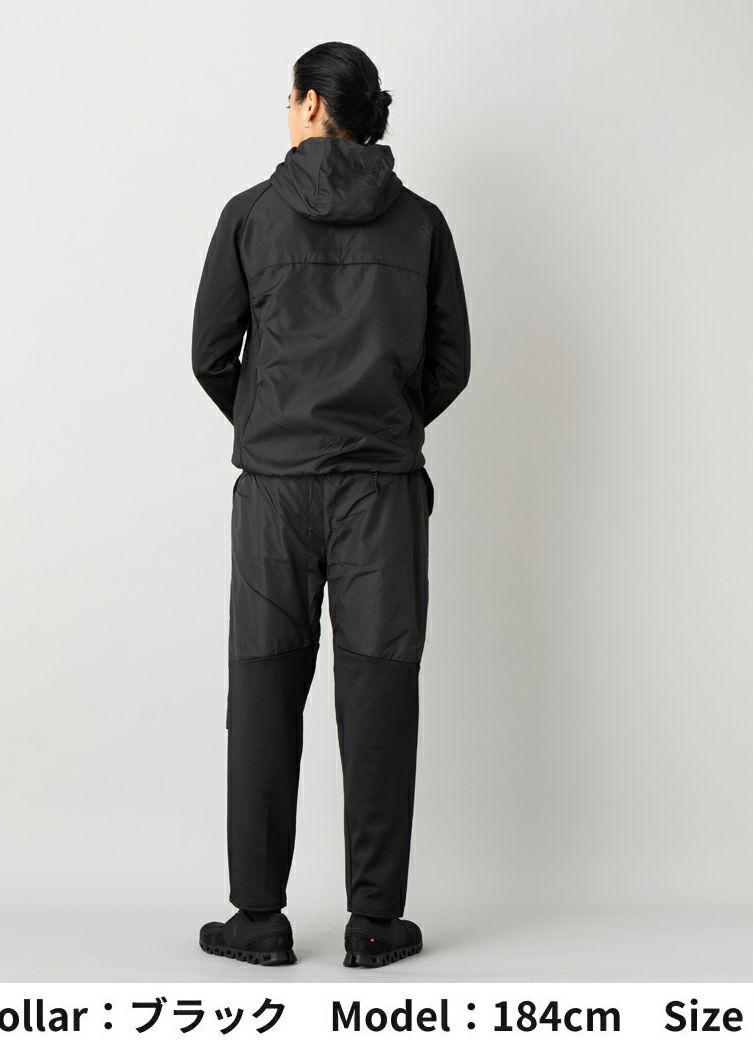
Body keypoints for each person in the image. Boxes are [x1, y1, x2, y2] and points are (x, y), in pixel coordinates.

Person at [191, 41, 470, 969]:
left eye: (290, 100)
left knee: (264, 691)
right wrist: (383, 427)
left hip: (275, 496)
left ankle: (259, 921)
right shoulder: (422, 225)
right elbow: (451, 365)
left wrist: (275, 426)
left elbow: (210, 355)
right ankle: (376, 924)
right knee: (379, 690)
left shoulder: (249, 216)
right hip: (380, 497)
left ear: (312, 105)